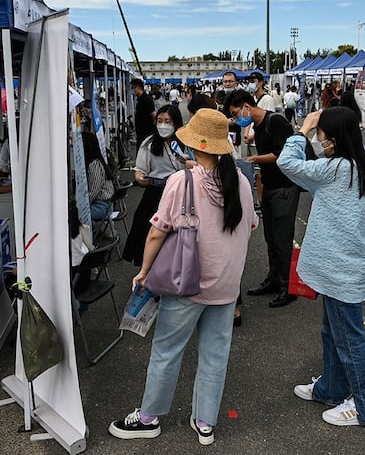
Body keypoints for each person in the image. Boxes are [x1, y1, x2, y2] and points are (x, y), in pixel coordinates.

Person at [109, 108, 257, 446]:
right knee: (215, 354)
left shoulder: (182, 181)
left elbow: (157, 232)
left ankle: (149, 418)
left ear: (194, 145)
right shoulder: (242, 183)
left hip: (186, 283)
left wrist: (144, 272)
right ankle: (205, 422)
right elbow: (250, 227)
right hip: (226, 285)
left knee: (167, 351)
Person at [279, 107, 365, 427]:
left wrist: (302, 130)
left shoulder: (335, 168)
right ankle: (332, 388)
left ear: (333, 140)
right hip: (343, 268)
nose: (317, 138)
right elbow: (302, 175)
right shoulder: (354, 166)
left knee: (349, 340)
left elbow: (287, 163)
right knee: (332, 332)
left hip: (341, 270)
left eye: (321, 134)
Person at [225, 89, 300, 308]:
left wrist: (255, 158)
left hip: (285, 187)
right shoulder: (258, 125)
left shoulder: (275, 121)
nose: (238, 118)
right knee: (271, 237)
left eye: (236, 112)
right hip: (269, 186)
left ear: (247, 106)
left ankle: (288, 287)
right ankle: (274, 278)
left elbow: (283, 155)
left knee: (283, 239)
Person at [122, 105, 188, 267]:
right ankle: (148, 274)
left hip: (180, 193)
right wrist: (139, 177)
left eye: (168, 121)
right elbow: (140, 169)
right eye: (159, 121)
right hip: (155, 193)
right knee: (150, 234)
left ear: (176, 123)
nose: (163, 125)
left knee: (176, 235)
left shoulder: (186, 142)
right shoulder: (149, 143)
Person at [80, 131, 116, 221]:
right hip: (105, 204)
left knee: (75, 215)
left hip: (101, 206)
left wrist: (80, 205)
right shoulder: (98, 161)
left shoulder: (94, 165)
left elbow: (93, 192)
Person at [131, 78, 156, 146]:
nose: (132, 90)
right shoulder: (139, 99)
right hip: (140, 132)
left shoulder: (146, 99)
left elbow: (153, 114)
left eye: (133, 88)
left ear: (138, 87)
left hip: (146, 133)